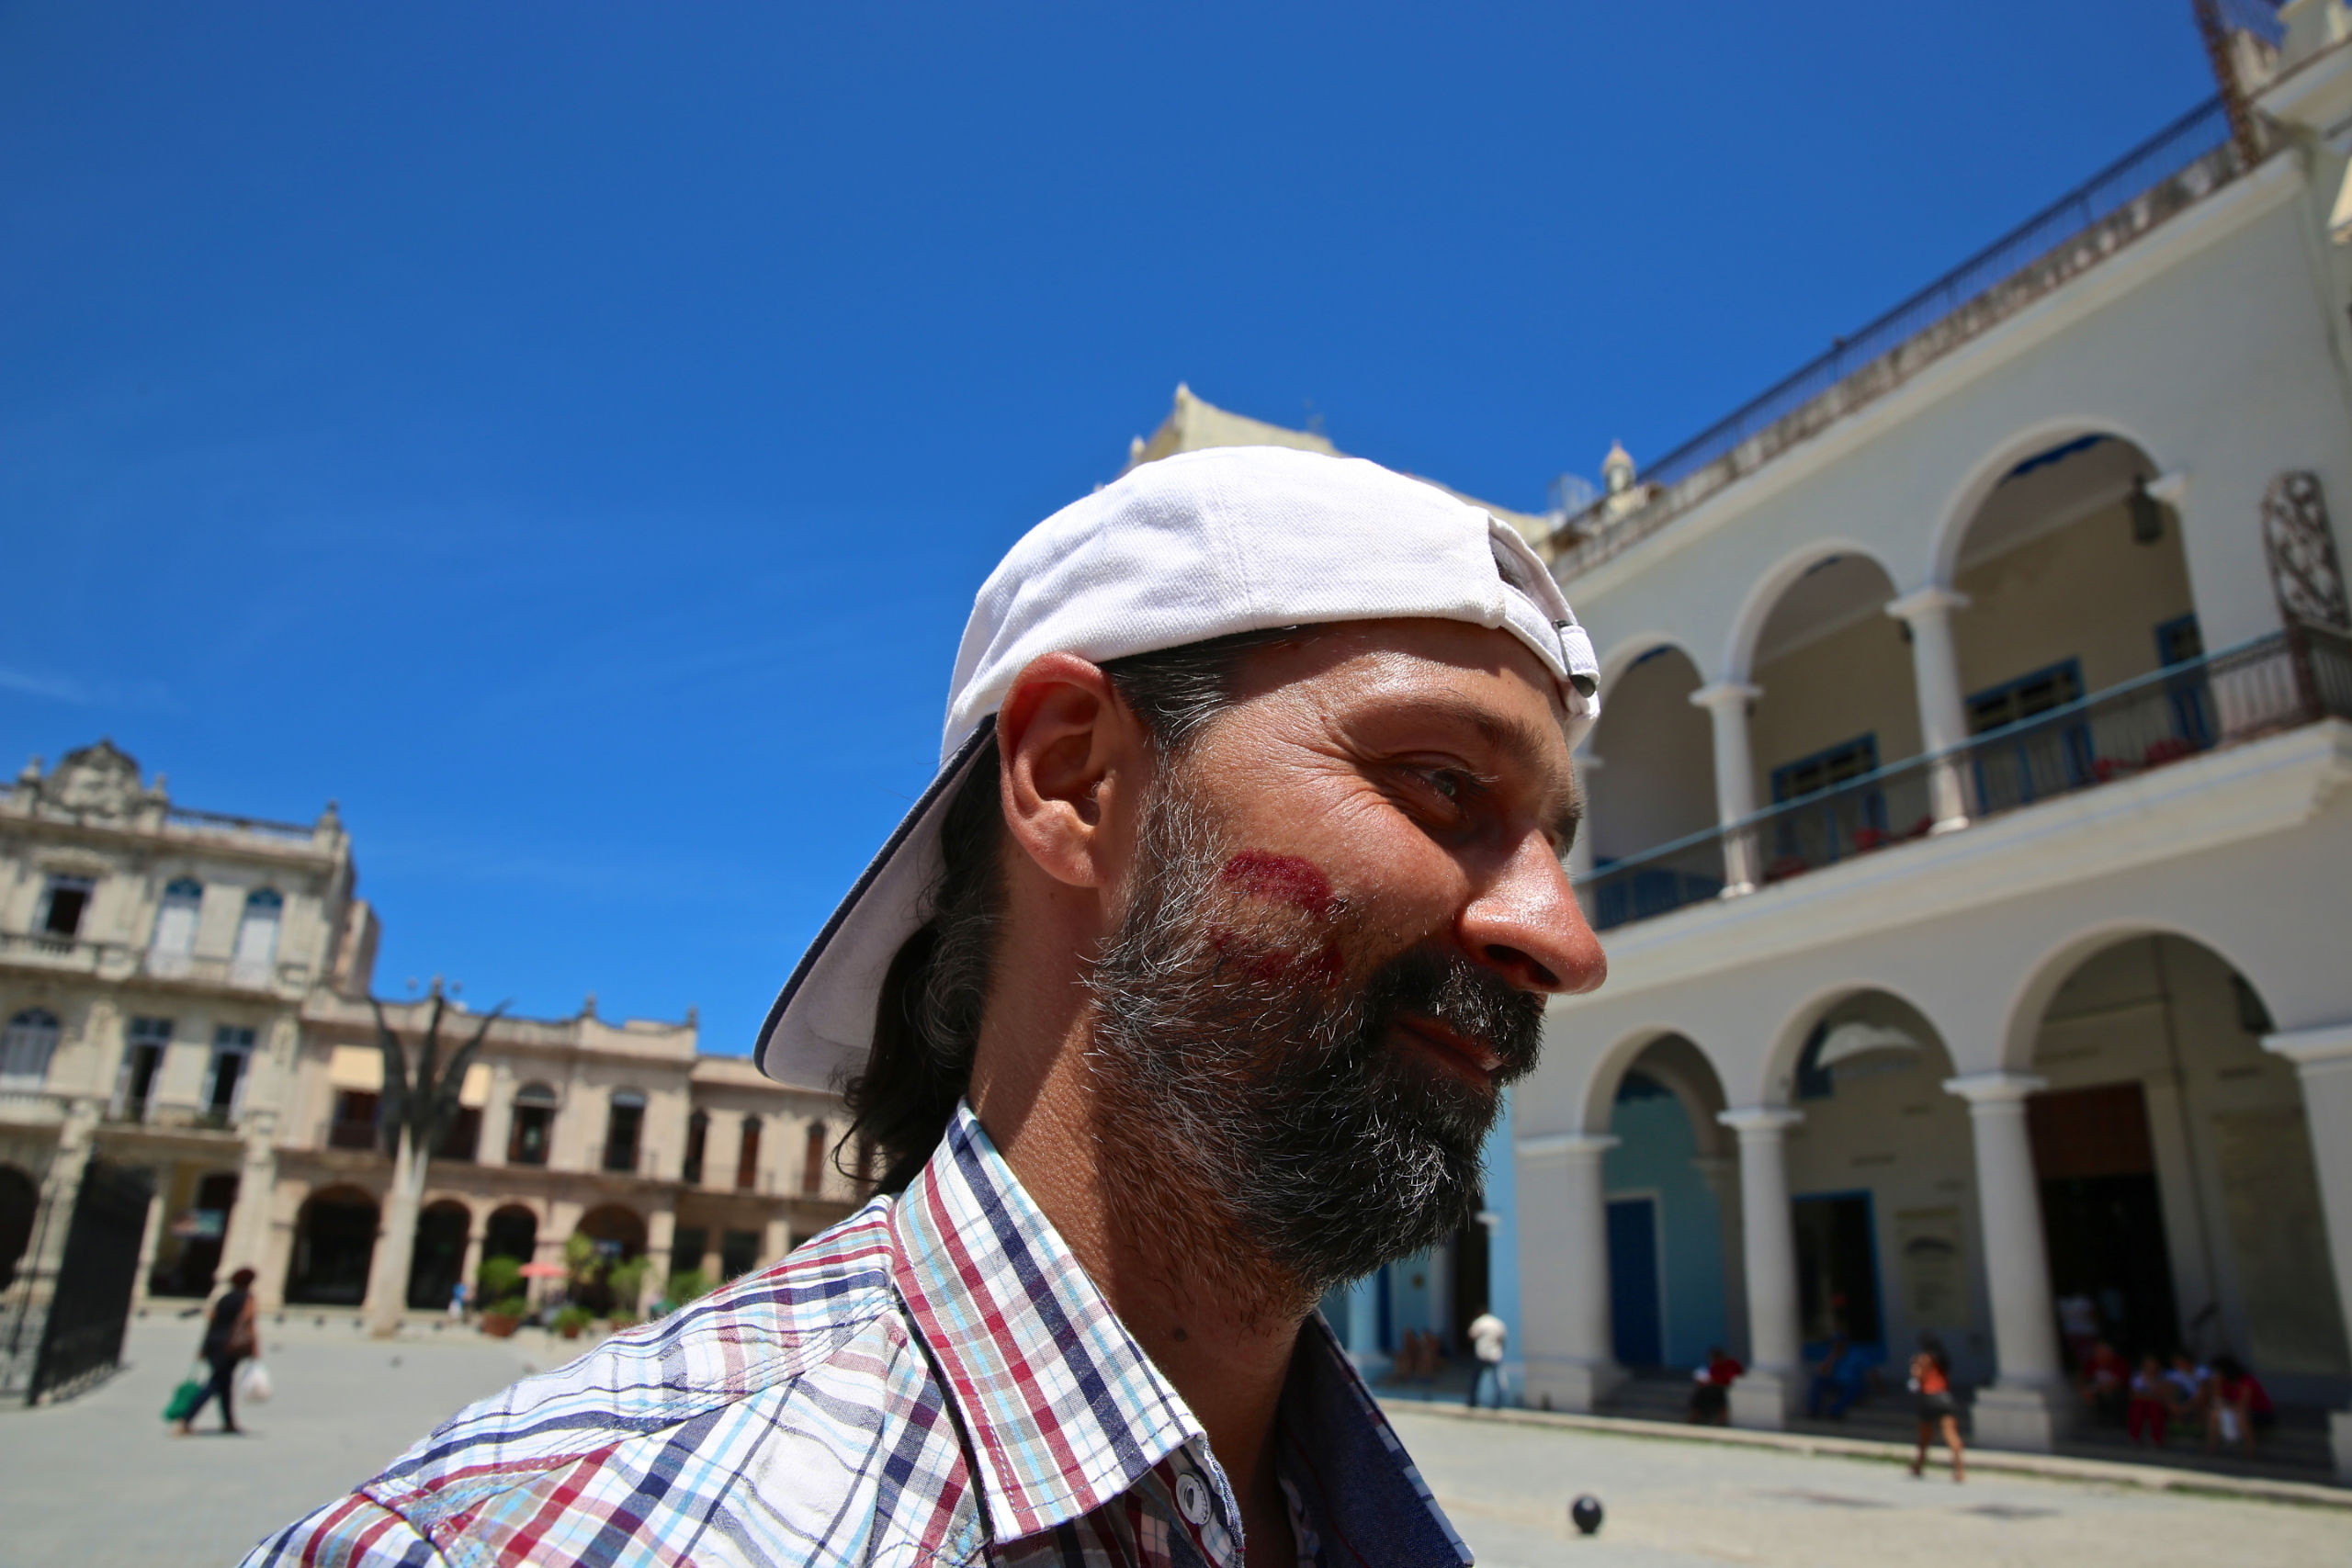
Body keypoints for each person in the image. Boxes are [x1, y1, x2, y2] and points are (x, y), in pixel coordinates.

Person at [245, 446, 1608, 1568]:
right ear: (1074, 778)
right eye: (1440, 782)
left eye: (1555, 844)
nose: (1564, 938)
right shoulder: (519, 1538)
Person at [176, 1265, 257, 1437]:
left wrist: (203, 1347)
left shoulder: (224, 1298)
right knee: (216, 1383)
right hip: (230, 1345)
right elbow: (248, 1321)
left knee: (225, 1383)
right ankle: (185, 1419)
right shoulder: (247, 1298)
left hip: (214, 1343)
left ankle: (228, 1422)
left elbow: (212, 1321)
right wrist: (254, 1347)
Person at [1907, 1333, 1964, 1483]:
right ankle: (1959, 1469)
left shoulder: (1923, 1358)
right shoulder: (1942, 1360)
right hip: (1945, 1397)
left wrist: (1914, 1367)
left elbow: (1918, 1376)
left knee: (1924, 1437)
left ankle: (1918, 1465)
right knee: (1951, 1434)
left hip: (1928, 1397)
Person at [1805, 1333, 1862, 1420]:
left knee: (1855, 1388)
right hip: (1837, 1383)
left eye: (1839, 1344)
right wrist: (1832, 1357)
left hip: (1851, 1384)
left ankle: (1835, 1411)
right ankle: (1813, 1410)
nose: (1837, 1346)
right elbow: (1822, 1372)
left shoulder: (1855, 1354)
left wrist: (1879, 1387)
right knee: (1818, 1381)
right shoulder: (1832, 1355)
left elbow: (1871, 1372)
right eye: (1835, 1344)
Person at [2126, 1353, 2171, 1447]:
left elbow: (2163, 1395)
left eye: (2153, 1364)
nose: (2151, 1367)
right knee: (2137, 1407)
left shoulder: (2163, 1377)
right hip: (2141, 1404)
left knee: (2155, 1407)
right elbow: (2134, 1395)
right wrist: (2151, 1395)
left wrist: (2148, 1395)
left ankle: (2157, 1439)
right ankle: (2135, 1437)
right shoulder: (2138, 1377)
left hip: (2156, 1404)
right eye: (2148, 1364)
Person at [1465, 1310, 1508, 1409]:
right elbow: (1502, 1339)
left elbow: (1471, 1335)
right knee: (1497, 1379)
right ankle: (1498, 1403)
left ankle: (1472, 1401)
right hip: (1495, 1354)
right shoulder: (1498, 1323)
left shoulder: (1480, 1322)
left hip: (1482, 1354)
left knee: (1476, 1379)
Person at [1690, 1346, 1742, 1425]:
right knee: (1700, 1393)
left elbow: (1735, 1377)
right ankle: (1694, 1417)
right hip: (1714, 1388)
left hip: (1726, 1388)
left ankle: (1722, 1420)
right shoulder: (1714, 1366)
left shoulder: (1731, 1364)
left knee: (1720, 1397)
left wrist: (1716, 1382)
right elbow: (1711, 1377)